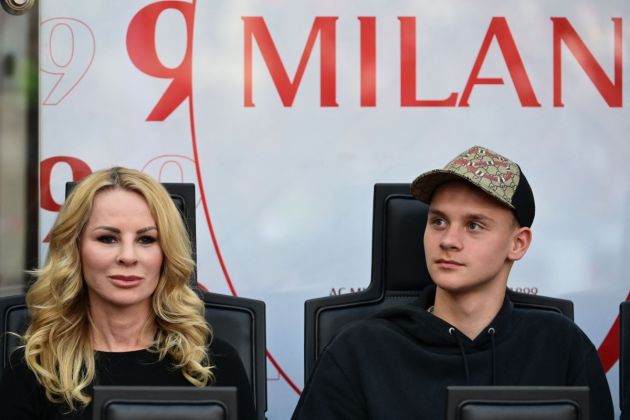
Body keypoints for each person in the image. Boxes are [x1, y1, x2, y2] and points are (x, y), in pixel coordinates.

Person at [292, 145, 614, 420]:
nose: (448, 240)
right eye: (438, 221)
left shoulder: (561, 348)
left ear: (518, 244)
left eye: (473, 225)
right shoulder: (359, 351)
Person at [0, 167, 256, 419]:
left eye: (146, 240)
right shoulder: (35, 369)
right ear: (73, 249)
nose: (128, 257)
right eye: (107, 239)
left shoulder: (215, 363)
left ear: (166, 253)